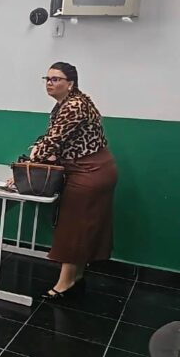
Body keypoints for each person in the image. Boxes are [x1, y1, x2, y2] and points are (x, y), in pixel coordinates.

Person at [27, 62, 118, 300]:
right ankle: (75, 277)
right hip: (89, 169)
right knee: (83, 226)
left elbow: (52, 141)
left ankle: (65, 283)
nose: (49, 83)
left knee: (74, 227)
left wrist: (32, 158)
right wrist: (39, 149)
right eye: (46, 78)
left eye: (56, 79)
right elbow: (53, 136)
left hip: (90, 172)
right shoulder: (66, 104)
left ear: (70, 83)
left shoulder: (74, 106)